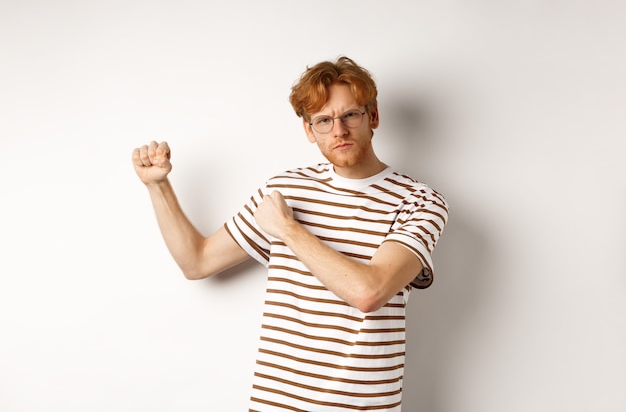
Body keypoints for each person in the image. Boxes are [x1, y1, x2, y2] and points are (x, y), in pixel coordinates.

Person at [132, 56, 448, 411]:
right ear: (309, 131)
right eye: (324, 121)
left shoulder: (419, 201)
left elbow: (369, 292)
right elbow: (197, 262)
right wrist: (159, 187)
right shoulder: (287, 189)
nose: (338, 131)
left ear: (373, 116)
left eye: (350, 115)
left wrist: (287, 229)